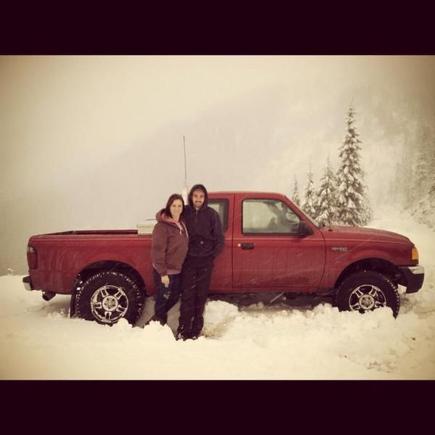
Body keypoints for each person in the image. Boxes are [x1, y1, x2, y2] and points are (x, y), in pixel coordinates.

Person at [176, 184, 224, 340]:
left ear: (205, 198)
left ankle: (196, 329)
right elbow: (169, 215)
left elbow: (219, 240)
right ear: (191, 197)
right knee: (187, 295)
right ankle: (183, 329)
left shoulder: (212, 215)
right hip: (188, 261)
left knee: (200, 296)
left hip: (205, 262)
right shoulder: (185, 212)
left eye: (201, 196)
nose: (198, 199)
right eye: (195, 196)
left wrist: (210, 256)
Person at [151, 194, 189, 326]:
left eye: (179, 206)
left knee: (173, 297)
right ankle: (158, 328)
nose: (177, 208)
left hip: (177, 271)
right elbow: (157, 250)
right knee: (162, 300)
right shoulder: (162, 226)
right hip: (165, 273)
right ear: (169, 206)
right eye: (174, 205)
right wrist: (163, 273)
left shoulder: (181, 224)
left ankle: (155, 322)